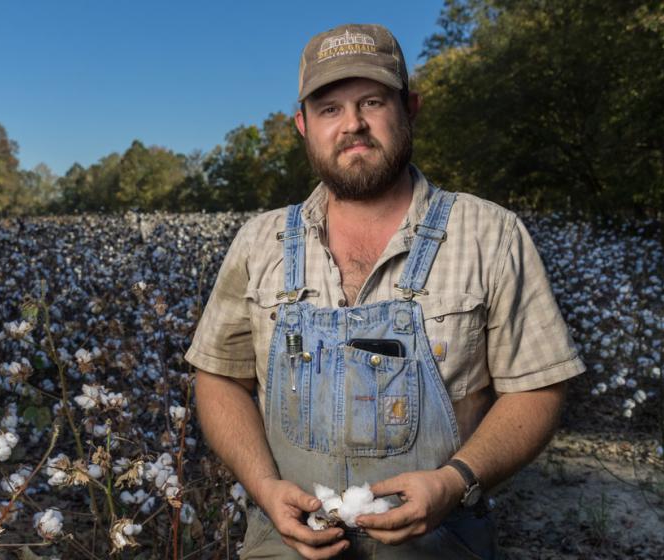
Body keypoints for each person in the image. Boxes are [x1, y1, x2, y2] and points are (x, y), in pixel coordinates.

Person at [186, 23, 585, 559]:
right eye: (329, 108)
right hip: (283, 543)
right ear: (303, 125)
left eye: (372, 101)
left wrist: (455, 481)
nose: (352, 124)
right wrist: (263, 485)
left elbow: (537, 388)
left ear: (410, 109)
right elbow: (218, 379)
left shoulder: (490, 233)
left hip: (444, 542)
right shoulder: (258, 244)